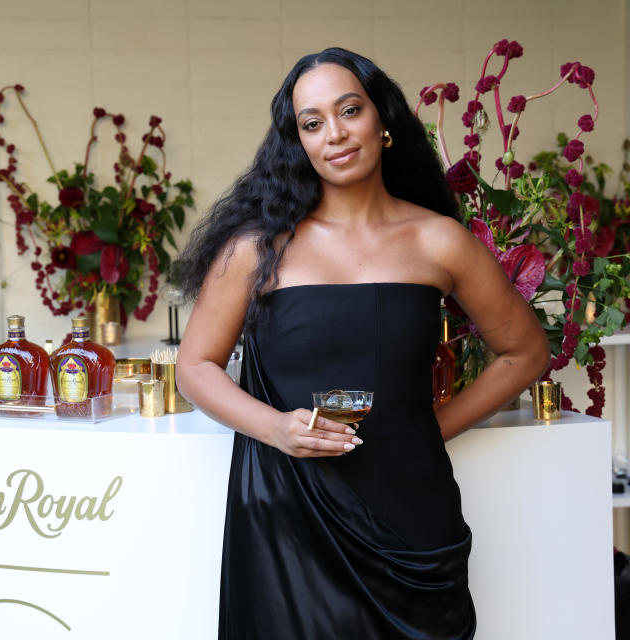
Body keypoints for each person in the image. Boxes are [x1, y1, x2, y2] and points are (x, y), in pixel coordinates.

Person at [176, 47, 550, 640]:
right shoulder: (256, 248)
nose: (336, 134)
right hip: (289, 512)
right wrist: (276, 429)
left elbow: (526, 352)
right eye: (312, 122)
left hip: (411, 510)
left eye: (349, 110)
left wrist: (434, 426)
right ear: (296, 141)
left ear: (383, 121)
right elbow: (194, 367)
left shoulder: (440, 241)